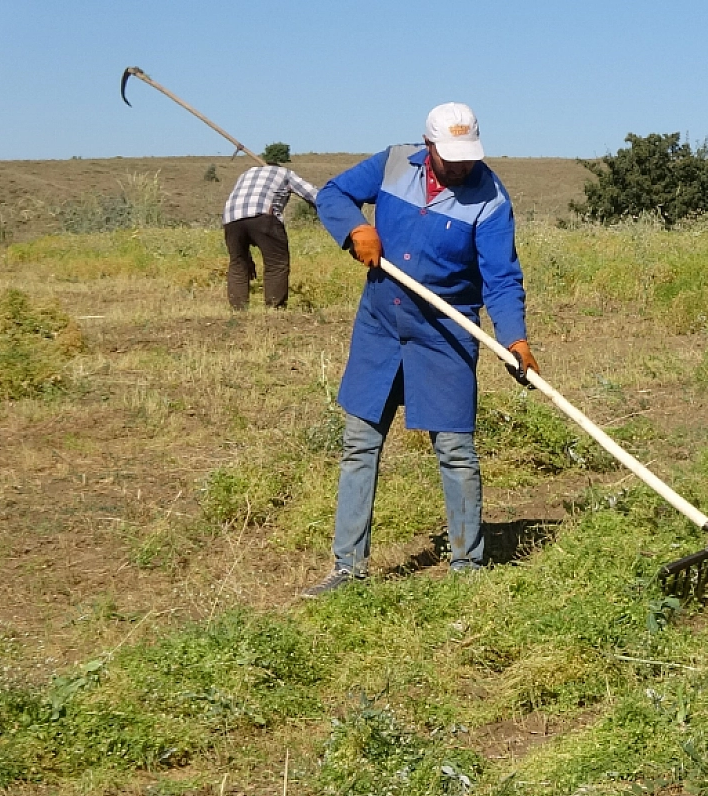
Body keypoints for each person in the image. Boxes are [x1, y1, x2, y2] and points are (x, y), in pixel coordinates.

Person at [302, 103, 538, 598]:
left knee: (455, 449)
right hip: (380, 323)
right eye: (449, 156)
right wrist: (356, 229)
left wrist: (514, 337)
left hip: (445, 331)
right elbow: (333, 193)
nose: (460, 166)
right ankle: (348, 570)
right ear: (427, 145)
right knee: (359, 442)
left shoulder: (491, 199)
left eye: (467, 156)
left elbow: (500, 278)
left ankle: (467, 568)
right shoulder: (392, 163)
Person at [221, 150, 318, 310]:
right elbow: (313, 194)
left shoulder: (247, 173)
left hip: (231, 219)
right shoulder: (284, 173)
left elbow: (244, 217)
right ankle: (275, 309)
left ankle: (238, 309)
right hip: (263, 217)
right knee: (276, 263)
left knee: (238, 263)